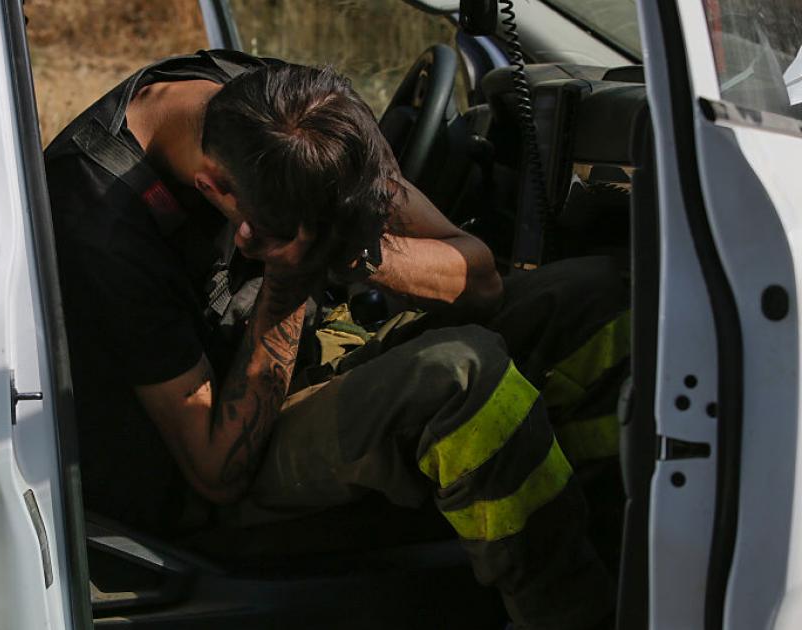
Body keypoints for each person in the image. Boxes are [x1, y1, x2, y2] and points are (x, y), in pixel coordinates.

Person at [45, 50, 624, 630]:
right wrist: (289, 285)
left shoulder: (292, 110)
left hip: (315, 355)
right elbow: (213, 473)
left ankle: (632, 543)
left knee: (593, 298)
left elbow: (481, 279)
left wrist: (355, 251)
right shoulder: (101, 229)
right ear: (215, 188)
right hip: (211, 455)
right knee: (462, 378)